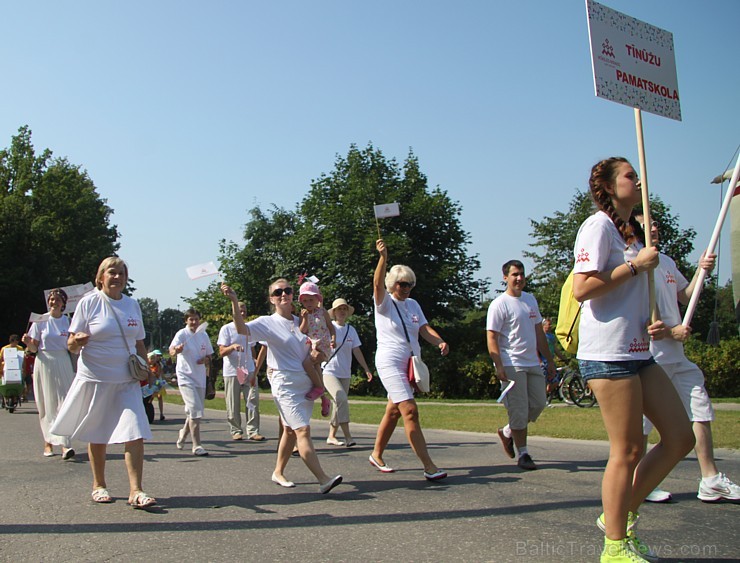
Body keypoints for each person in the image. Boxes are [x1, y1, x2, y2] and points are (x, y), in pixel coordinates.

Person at [572, 157, 694, 562]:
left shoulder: (632, 231)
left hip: (641, 351)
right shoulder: (598, 226)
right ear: (608, 187)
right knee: (626, 451)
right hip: (609, 354)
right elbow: (582, 288)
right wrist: (633, 265)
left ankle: (616, 516)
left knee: (680, 437)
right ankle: (614, 546)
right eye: (629, 175)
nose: (638, 179)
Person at [635, 215, 740, 503]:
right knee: (644, 423)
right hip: (650, 356)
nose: (654, 228)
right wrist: (671, 331)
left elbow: (685, 296)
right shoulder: (636, 263)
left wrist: (700, 271)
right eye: (647, 225)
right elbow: (644, 319)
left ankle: (710, 479)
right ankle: (641, 482)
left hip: (677, 356)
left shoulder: (666, 261)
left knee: (699, 407)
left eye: (655, 224)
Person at [51, 257, 156, 508]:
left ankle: (136, 491)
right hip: (97, 378)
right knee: (98, 434)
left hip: (126, 380)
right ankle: (99, 485)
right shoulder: (89, 303)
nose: (117, 277)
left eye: (121, 273)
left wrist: (148, 369)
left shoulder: (132, 305)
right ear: (101, 277)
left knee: (136, 431)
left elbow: (139, 341)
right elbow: (71, 345)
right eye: (112, 272)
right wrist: (78, 340)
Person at [222, 280, 342, 494]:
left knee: (289, 430)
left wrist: (318, 354)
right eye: (278, 292)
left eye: (287, 290)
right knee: (302, 430)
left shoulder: (302, 321)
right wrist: (233, 301)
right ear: (272, 299)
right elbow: (242, 328)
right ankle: (323, 479)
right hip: (284, 384)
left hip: (305, 382)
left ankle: (278, 471)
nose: (283, 294)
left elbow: (312, 348)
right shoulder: (267, 322)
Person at [369, 239, 448, 481]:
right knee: (410, 410)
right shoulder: (384, 303)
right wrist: (383, 257)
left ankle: (376, 454)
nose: (406, 288)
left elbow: (424, 328)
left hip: (409, 363)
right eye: (402, 284)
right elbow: (376, 283)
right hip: (390, 361)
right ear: (392, 284)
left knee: (393, 411)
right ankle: (429, 466)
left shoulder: (413, 304)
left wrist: (439, 341)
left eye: (410, 284)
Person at [486, 260, 556, 470]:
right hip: (511, 363)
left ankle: (507, 431)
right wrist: (498, 365)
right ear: (505, 277)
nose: (519, 278)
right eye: (514, 274)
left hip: (532, 362)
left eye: (522, 274)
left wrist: (549, 360)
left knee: (538, 403)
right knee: (518, 409)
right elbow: (491, 337)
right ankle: (523, 453)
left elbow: (538, 333)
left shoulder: (530, 300)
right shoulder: (500, 304)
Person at [21, 289, 75, 459]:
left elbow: (72, 347)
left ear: (63, 303)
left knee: (64, 402)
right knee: (47, 402)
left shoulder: (68, 321)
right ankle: (48, 441)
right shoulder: (40, 320)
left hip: (63, 361)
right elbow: (34, 348)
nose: (54, 302)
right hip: (44, 361)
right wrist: (28, 343)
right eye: (51, 299)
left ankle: (66, 444)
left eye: (58, 299)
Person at [322, 298, 373, 447]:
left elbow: (356, 350)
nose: (342, 311)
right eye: (339, 309)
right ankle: (348, 436)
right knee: (341, 398)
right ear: (334, 312)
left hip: (345, 372)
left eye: (344, 309)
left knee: (339, 402)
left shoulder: (351, 330)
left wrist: (366, 368)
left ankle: (331, 435)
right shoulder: (329, 327)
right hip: (329, 370)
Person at [218, 301, 265, 442]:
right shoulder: (226, 329)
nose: (242, 312)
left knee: (252, 400)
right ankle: (236, 430)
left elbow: (252, 349)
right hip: (232, 371)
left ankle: (253, 430)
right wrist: (232, 347)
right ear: (233, 312)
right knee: (233, 403)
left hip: (249, 370)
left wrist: (255, 362)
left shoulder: (249, 329)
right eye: (239, 310)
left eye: (244, 310)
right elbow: (221, 352)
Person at [169, 308, 213, 456]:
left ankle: (183, 434)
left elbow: (210, 356)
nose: (194, 322)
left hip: (199, 378)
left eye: (196, 319)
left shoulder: (203, 335)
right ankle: (197, 445)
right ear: (186, 321)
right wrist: (177, 349)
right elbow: (171, 351)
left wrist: (205, 360)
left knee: (195, 411)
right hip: (185, 376)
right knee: (195, 409)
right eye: (191, 319)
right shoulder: (181, 334)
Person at [297, 281, 334, 416]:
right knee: (316, 368)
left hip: (322, 344)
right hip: (311, 345)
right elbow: (301, 332)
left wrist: (334, 339)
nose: (308, 303)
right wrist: (305, 319)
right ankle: (324, 398)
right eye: (305, 300)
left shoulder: (322, 312)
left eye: (311, 300)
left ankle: (319, 388)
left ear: (317, 299)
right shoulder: (303, 314)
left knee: (307, 363)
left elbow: (331, 327)